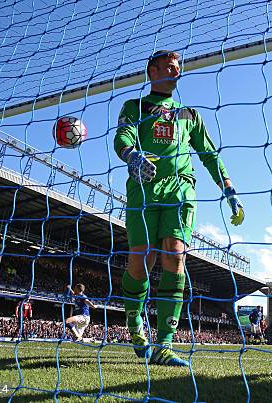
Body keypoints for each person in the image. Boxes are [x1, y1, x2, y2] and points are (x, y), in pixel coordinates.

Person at [114, 50, 245, 366]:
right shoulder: (135, 107)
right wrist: (133, 157)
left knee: (175, 256)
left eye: (178, 68)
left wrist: (230, 191)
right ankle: (134, 326)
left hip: (181, 189)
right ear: (152, 71)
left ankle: (165, 345)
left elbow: (209, 154)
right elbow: (123, 138)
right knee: (142, 259)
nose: (176, 73)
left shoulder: (189, 115)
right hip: (144, 188)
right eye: (170, 67)